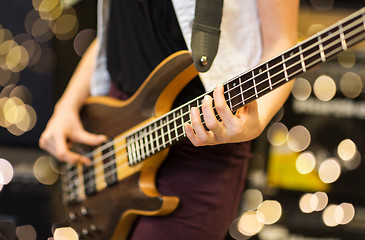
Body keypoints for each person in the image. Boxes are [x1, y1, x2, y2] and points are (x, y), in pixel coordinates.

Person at [39, 0, 299, 239]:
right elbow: (123, 25)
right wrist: (67, 104)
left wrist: (256, 121)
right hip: (112, 126)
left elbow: (281, 42)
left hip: (199, 147)